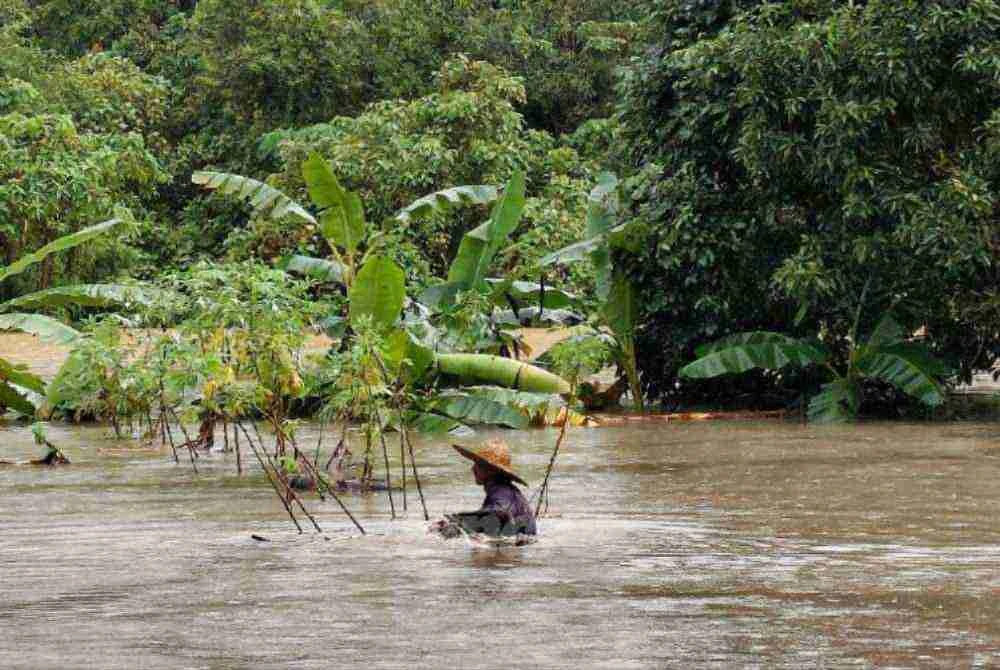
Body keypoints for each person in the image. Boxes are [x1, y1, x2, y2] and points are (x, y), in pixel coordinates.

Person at [431, 439, 537, 539]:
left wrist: (458, 521)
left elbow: (499, 513)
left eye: (477, 464)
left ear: (491, 470)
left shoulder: (501, 491)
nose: (473, 468)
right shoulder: (506, 490)